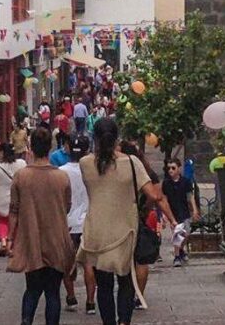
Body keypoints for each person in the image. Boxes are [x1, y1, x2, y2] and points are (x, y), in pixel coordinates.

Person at [77, 119, 171, 325]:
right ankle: (124, 322)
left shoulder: (85, 163)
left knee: (104, 285)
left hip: (97, 230)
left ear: (95, 138)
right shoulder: (131, 162)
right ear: (117, 138)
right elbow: (153, 195)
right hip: (125, 230)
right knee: (126, 281)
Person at [6, 127, 75, 325]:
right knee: (53, 292)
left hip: (31, 239)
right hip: (56, 239)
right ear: (50, 147)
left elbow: (14, 210)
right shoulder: (62, 177)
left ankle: (26, 321)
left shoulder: (21, 176)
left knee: (32, 289)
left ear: (31, 147)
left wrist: (10, 238)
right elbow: (67, 206)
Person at [120, 141, 177, 306]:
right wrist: (171, 219)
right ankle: (139, 296)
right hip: (143, 218)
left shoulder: (121, 171)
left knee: (127, 258)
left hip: (124, 218)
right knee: (141, 258)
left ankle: (128, 293)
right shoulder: (148, 172)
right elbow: (158, 197)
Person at [60, 135, 96, 314]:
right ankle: (90, 302)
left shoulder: (61, 172)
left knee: (67, 262)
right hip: (88, 222)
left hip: (67, 222)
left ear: (68, 149)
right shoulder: (93, 170)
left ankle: (71, 297)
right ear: (87, 150)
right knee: (88, 263)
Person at [0, 142, 26, 258]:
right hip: (18, 197)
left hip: (0, 198)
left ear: (1, 152)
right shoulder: (22, 163)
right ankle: (12, 244)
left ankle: (4, 241)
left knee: (1, 221)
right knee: (16, 222)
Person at [162, 158, 199, 266]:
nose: (170, 170)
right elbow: (164, 199)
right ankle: (177, 256)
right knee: (177, 234)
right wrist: (164, 214)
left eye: (173, 168)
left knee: (186, 234)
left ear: (179, 168)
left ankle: (181, 250)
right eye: (169, 168)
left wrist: (195, 210)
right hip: (172, 213)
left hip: (184, 211)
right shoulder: (166, 183)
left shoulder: (185, 182)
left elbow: (190, 196)